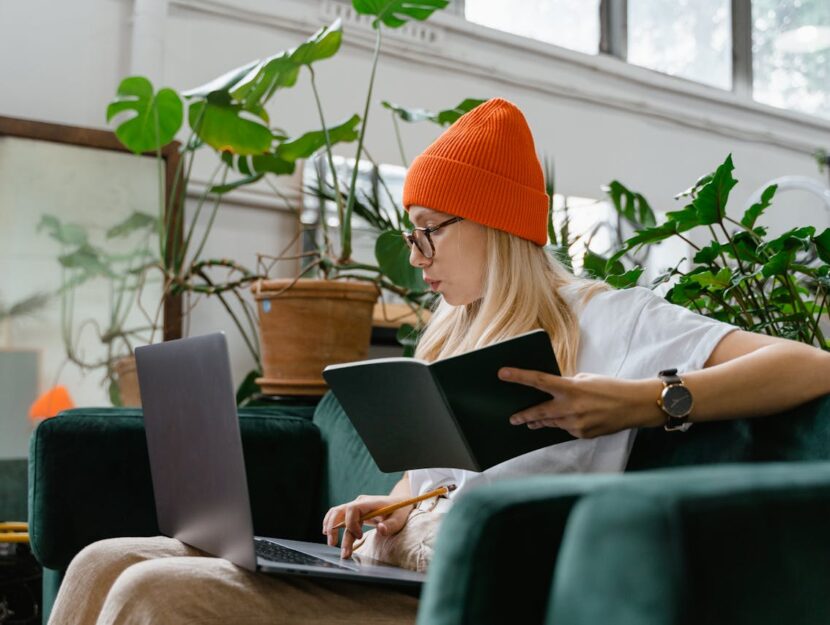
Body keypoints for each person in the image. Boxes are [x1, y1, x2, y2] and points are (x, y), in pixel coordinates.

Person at [48, 98, 830, 625]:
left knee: (152, 588)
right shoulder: (449, 334)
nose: (415, 256)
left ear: (494, 224)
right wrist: (383, 506)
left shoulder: (611, 317)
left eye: (430, 231)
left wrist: (640, 402)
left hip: (472, 595)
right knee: (99, 559)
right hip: (397, 569)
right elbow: (438, 486)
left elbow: (810, 364)